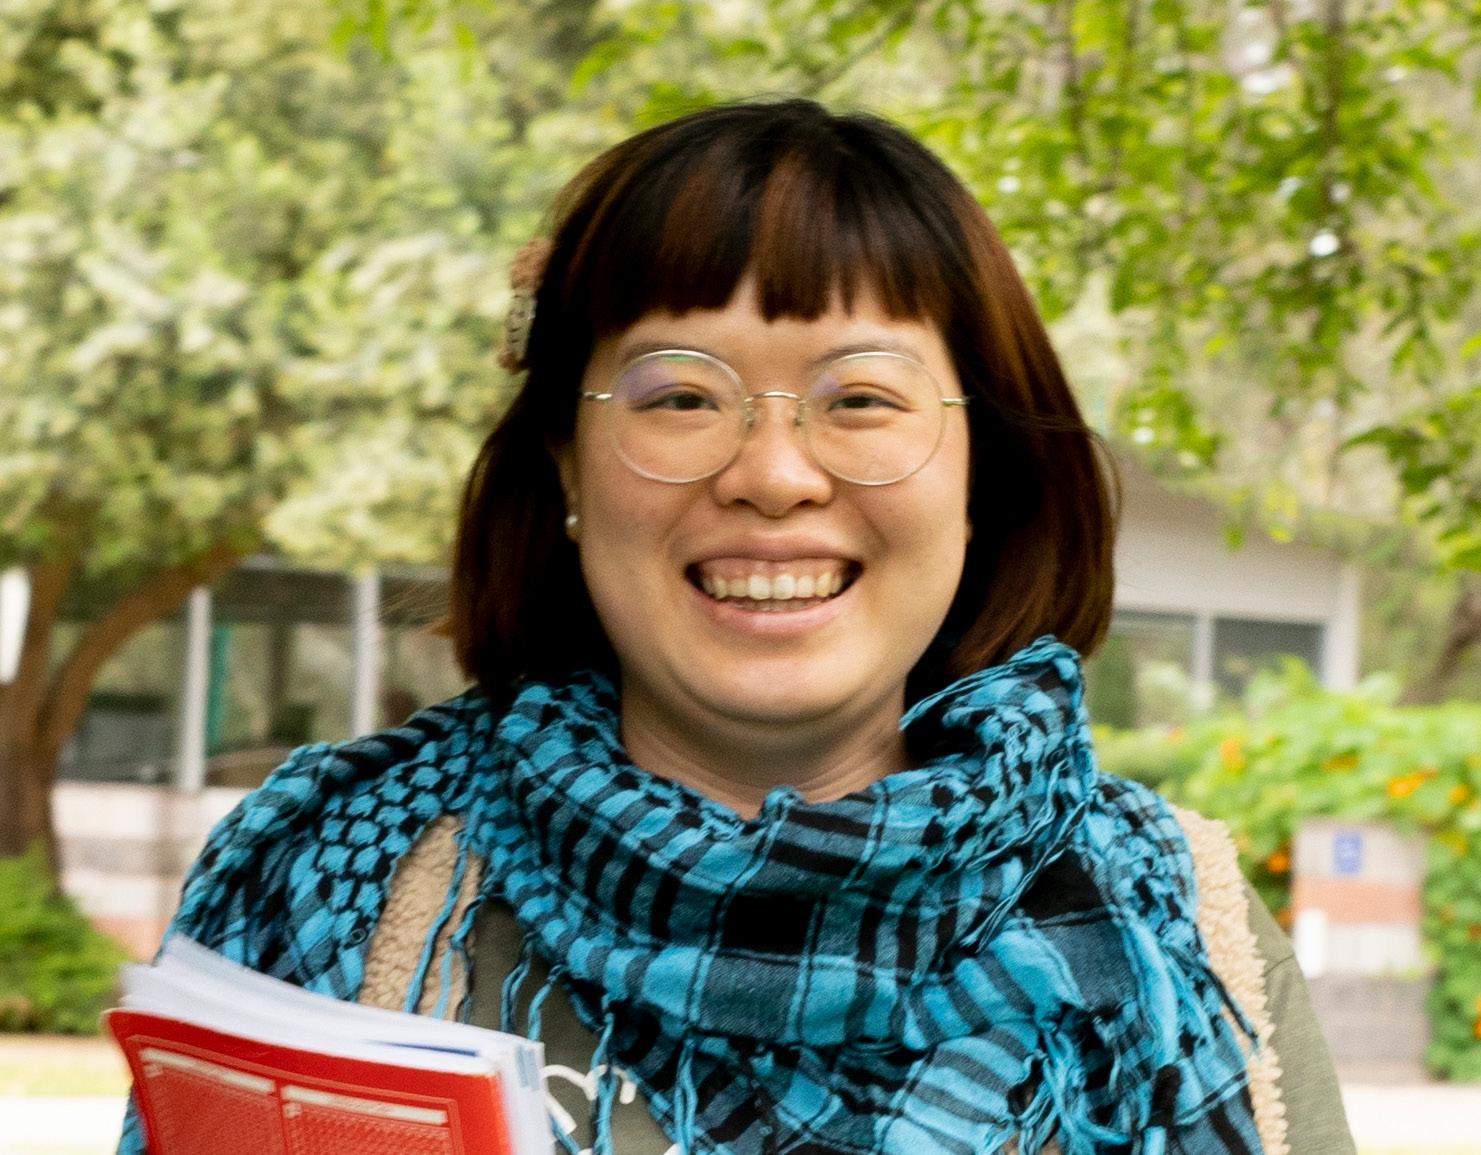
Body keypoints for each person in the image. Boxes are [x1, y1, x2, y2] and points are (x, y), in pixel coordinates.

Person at [117, 100, 1354, 1155]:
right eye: (680, 396)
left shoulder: (1182, 925)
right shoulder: (332, 881)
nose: (772, 475)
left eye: (858, 397)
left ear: (980, 469)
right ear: (565, 462)